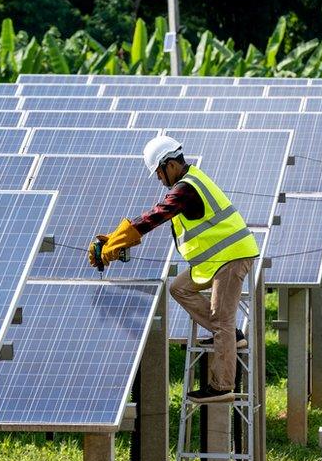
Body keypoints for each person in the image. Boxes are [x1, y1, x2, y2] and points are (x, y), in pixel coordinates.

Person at [89, 135, 259, 403]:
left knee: (222, 316)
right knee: (179, 288)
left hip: (232, 257)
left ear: (169, 164)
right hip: (216, 261)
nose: (159, 179)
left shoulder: (186, 189)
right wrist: (114, 239)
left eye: (158, 172)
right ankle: (227, 336)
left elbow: (155, 216)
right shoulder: (190, 181)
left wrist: (118, 239)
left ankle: (222, 385)